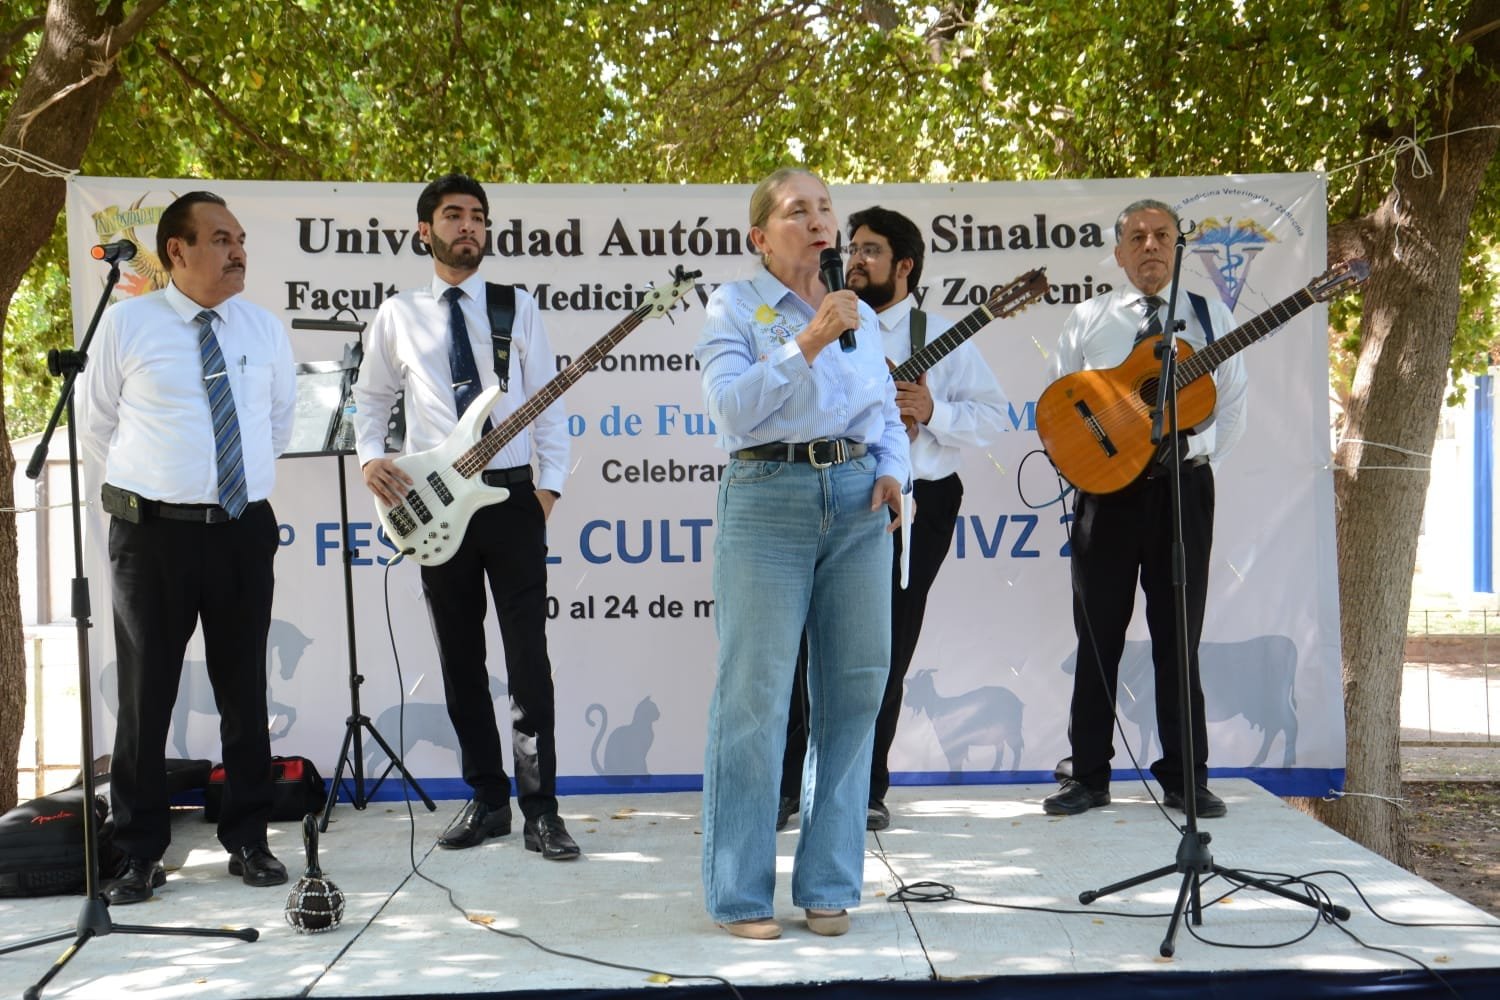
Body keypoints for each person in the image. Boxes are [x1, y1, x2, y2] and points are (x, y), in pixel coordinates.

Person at [696, 168, 909, 940]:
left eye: (826, 208)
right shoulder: (735, 305)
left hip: (856, 503)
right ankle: (741, 894)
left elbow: (884, 411)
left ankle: (829, 884)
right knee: (754, 699)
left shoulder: (862, 314)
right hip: (768, 498)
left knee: (854, 693)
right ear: (761, 236)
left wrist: (892, 472)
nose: (821, 221)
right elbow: (731, 410)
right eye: (799, 210)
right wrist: (807, 343)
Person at [79, 191, 297, 904]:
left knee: (244, 688)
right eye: (221, 238)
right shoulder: (128, 324)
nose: (238, 251)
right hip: (153, 537)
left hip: (240, 530)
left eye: (240, 238)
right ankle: (139, 852)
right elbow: (97, 425)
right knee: (146, 697)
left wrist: (230, 486)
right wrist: (160, 489)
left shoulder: (262, 329)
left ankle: (249, 837)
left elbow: (278, 422)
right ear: (177, 251)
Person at [353, 172, 579, 860]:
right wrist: (370, 460)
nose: (469, 227)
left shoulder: (517, 307)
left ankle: (541, 809)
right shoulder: (397, 315)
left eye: (478, 216)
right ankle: (487, 800)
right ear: (426, 231)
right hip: (434, 508)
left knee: (529, 664)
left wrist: (547, 493)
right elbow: (369, 402)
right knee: (459, 659)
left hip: (511, 501)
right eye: (454, 216)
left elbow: (549, 402)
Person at [778, 206, 1007, 833]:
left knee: (885, 646)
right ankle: (788, 784)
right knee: (803, 644)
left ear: (905, 266)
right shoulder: (825, 322)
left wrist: (933, 409)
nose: (854, 260)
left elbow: (995, 417)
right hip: (832, 493)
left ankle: (864, 789)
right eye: (853, 249)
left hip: (920, 502)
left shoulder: (944, 333)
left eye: (871, 250)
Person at [1041, 198, 1248, 819]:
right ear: (1120, 250)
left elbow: (1233, 408)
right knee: (1097, 635)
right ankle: (1089, 775)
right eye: (1138, 236)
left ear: (1178, 246)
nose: (1151, 246)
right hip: (1104, 493)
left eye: (1162, 235)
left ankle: (1186, 776)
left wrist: (1187, 447)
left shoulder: (1211, 319)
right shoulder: (1087, 319)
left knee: (1177, 636)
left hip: (1181, 490)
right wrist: (1094, 458)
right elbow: (1058, 407)